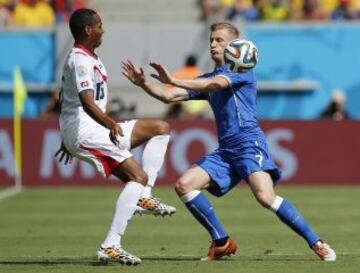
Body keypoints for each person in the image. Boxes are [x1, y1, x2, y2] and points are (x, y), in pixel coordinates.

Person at [121, 22, 336, 262]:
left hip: (249, 144)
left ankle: (316, 242)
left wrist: (175, 78)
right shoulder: (208, 78)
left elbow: (217, 84)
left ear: (234, 46)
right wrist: (143, 84)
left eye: (219, 40)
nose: (213, 44)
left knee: (265, 197)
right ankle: (221, 241)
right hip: (226, 151)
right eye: (211, 40)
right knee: (185, 185)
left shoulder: (241, 70)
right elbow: (169, 95)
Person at [55, 8, 175, 266]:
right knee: (137, 176)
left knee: (160, 128)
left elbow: (66, 95)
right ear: (88, 30)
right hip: (87, 129)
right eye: (99, 25)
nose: (103, 29)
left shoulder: (90, 58)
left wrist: (66, 135)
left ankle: (145, 195)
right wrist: (105, 124)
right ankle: (111, 245)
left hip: (87, 128)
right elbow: (86, 103)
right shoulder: (80, 59)